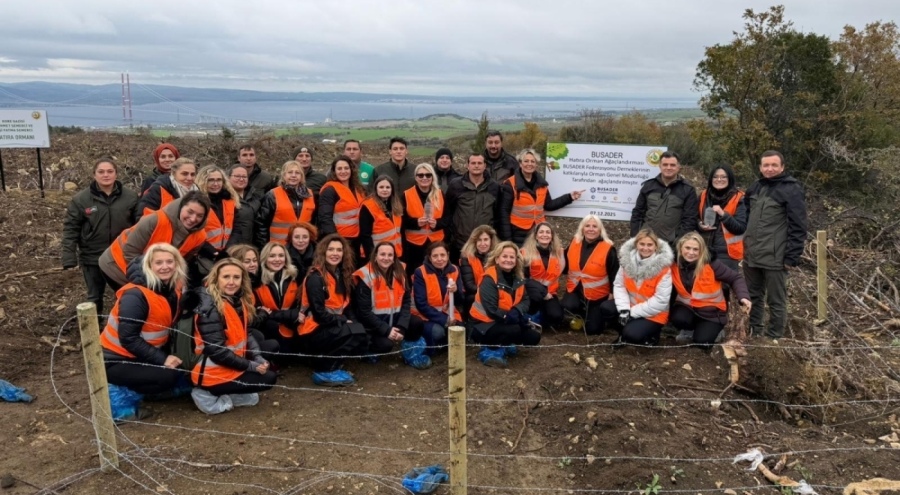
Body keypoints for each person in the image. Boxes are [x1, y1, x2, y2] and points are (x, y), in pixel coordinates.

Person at [190, 258, 278, 414]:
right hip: (211, 371)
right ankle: (206, 392)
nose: (231, 282)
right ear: (216, 279)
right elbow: (218, 352)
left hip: (230, 364)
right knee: (268, 378)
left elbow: (247, 333)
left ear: (242, 280)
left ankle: (228, 389)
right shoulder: (211, 308)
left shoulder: (237, 301)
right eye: (226, 277)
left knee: (269, 352)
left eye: (236, 277)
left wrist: (258, 358)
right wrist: (252, 366)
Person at [100, 244, 186, 402]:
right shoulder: (136, 296)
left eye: (169, 261)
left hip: (139, 354)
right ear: (149, 266)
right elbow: (128, 338)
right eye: (158, 263)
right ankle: (118, 390)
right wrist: (162, 359)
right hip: (116, 359)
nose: (165, 267)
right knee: (168, 377)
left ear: (177, 264)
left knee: (182, 367)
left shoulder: (173, 289)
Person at [743, 150, 808, 339]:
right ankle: (755, 332)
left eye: (774, 165)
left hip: (775, 256)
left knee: (776, 300)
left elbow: (799, 225)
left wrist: (792, 256)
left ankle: (774, 338)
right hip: (752, 255)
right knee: (753, 296)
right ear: (760, 167)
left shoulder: (791, 189)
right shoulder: (755, 188)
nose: (769, 169)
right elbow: (747, 216)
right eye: (766, 165)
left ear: (782, 167)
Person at [63, 158, 139, 315]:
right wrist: (68, 258)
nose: (106, 175)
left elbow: (138, 226)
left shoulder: (131, 197)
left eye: (110, 171)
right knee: (94, 297)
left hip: (121, 256)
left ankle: (122, 328)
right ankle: (93, 332)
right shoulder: (81, 199)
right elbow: (71, 229)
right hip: (92, 257)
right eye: (101, 172)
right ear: (94, 175)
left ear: (116, 174)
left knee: (126, 294)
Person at [100, 191, 210, 290]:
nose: (193, 219)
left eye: (199, 216)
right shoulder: (155, 220)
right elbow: (130, 252)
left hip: (151, 270)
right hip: (116, 265)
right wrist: (151, 281)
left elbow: (182, 262)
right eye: (190, 212)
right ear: (181, 206)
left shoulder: (200, 237)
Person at [298, 234, 368, 386]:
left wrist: (353, 323)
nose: (335, 253)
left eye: (339, 250)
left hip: (329, 326)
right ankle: (324, 370)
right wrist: (344, 321)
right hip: (312, 330)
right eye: (330, 249)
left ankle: (333, 365)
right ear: (323, 252)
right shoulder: (316, 278)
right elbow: (319, 314)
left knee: (360, 332)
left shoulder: (341, 274)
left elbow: (345, 305)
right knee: (354, 332)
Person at [354, 242, 431, 369]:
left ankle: (411, 354)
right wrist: (386, 330)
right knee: (385, 345)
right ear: (375, 256)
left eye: (390, 255)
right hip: (372, 326)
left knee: (416, 323)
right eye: (382, 254)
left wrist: (401, 326)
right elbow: (364, 312)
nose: (386, 258)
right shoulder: (365, 276)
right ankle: (367, 351)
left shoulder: (400, 272)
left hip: (394, 318)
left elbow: (406, 302)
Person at [671, 232, 751, 346]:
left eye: (695, 249)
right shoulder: (674, 264)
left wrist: (743, 297)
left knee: (702, 343)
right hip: (687, 308)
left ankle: (717, 332)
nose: (691, 253)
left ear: (702, 250)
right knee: (678, 318)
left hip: (712, 313)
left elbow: (735, 278)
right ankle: (688, 331)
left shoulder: (712, 264)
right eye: (687, 248)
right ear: (680, 248)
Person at [468, 241, 540, 367]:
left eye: (512, 257)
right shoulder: (489, 278)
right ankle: (489, 350)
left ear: (516, 260)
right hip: (482, 325)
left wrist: (517, 311)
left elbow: (525, 300)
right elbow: (491, 310)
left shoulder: (518, 278)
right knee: (514, 330)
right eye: (504, 256)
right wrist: (511, 318)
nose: (508, 260)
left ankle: (504, 343)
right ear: (497, 259)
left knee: (533, 337)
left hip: (505, 320)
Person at [499, 148, 581, 245]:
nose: (529, 164)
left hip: (538, 231)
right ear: (520, 164)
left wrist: (569, 197)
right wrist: (508, 240)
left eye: (533, 161)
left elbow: (549, 205)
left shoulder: (542, 184)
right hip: (518, 233)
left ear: (536, 165)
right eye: (526, 161)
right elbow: (504, 213)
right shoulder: (510, 184)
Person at [609, 229, 674, 346]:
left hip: (654, 314)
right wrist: (624, 309)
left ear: (656, 246)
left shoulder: (664, 268)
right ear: (636, 244)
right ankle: (622, 335)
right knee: (606, 308)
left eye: (650, 245)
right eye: (642, 244)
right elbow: (619, 285)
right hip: (630, 306)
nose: (645, 248)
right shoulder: (626, 261)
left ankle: (652, 335)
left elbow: (661, 300)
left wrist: (631, 312)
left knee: (632, 335)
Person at [562, 215, 619, 335]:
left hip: (598, 295)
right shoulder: (574, 242)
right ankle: (580, 314)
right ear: (582, 228)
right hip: (575, 289)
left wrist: (613, 293)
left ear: (600, 230)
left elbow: (615, 274)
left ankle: (603, 319)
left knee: (593, 330)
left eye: (595, 226)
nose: (591, 229)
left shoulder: (608, 248)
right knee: (567, 306)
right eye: (587, 226)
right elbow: (563, 263)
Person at [629, 151, 698, 246]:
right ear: (660, 166)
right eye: (665, 164)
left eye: (672, 165)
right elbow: (637, 213)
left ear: (678, 167)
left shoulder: (687, 190)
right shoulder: (649, 186)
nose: (668, 168)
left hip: (671, 245)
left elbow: (689, 220)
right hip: (646, 243)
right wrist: (636, 236)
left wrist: (678, 242)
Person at [443, 154, 500, 263]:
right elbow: (448, 211)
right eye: (473, 163)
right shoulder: (456, 185)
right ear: (467, 166)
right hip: (460, 243)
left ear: (485, 166)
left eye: (479, 163)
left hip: (485, 245)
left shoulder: (494, 187)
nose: (476, 166)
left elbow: (497, 214)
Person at [412, 242, 463, 352]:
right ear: (430, 258)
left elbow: (460, 300)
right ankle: (429, 345)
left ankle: (442, 345)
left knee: (462, 330)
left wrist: (456, 291)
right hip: (424, 316)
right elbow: (421, 304)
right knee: (438, 332)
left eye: (442, 255)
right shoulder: (420, 272)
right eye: (435, 256)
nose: (439, 259)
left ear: (448, 255)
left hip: (448, 313)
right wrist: (444, 320)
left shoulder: (454, 270)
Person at [254, 242, 303, 351]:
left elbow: (301, 306)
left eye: (281, 256)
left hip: (292, 323)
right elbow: (258, 310)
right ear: (265, 258)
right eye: (272, 256)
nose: (277, 259)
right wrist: (286, 315)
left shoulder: (296, 277)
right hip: (269, 326)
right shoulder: (256, 281)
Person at [697, 164, 746, 271]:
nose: (719, 179)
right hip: (703, 250)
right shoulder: (703, 195)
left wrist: (723, 214)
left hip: (727, 254)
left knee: (724, 286)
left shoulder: (740, 198)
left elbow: (740, 228)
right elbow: (694, 218)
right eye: (715, 177)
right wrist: (700, 225)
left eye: (723, 177)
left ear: (730, 179)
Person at [402, 163, 448, 276]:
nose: (424, 178)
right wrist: (416, 222)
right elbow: (401, 220)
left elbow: (448, 218)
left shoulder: (440, 194)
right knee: (415, 275)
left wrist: (437, 224)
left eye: (428, 175)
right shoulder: (406, 195)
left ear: (432, 177)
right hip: (414, 245)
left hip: (436, 243)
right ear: (416, 177)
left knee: (435, 275)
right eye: (421, 175)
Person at [196, 165, 249, 262]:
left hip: (227, 253)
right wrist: (213, 252)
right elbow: (193, 232)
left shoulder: (229, 201)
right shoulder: (196, 202)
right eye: (211, 180)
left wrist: (228, 250)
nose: (215, 184)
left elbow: (236, 228)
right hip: (203, 255)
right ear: (203, 181)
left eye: (219, 180)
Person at [255, 160, 316, 246]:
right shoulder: (272, 195)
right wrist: (264, 247)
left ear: (302, 176)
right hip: (279, 248)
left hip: (303, 246)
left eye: (297, 173)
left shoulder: (310, 194)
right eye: (290, 172)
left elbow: (313, 223)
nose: (293, 175)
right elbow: (262, 224)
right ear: (284, 175)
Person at [318, 155, 366, 260]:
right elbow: (325, 218)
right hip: (341, 239)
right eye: (339, 169)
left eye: (346, 168)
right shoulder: (330, 190)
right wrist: (336, 240)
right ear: (334, 171)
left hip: (358, 239)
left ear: (351, 170)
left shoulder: (359, 189)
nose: (343, 171)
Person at [521, 222, 566, 330]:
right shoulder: (525, 252)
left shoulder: (559, 253)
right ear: (536, 236)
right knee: (536, 298)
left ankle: (541, 316)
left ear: (552, 236)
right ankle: (531, 316)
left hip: (551, 293)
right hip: (532, 292)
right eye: (541, 232)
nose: (544, 235)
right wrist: (542, 291)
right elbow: (523, 278)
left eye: (547, 232)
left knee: (557, 317)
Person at [359, 175, 403, 261]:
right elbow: (365, 236)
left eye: (388, 187)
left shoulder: (396, 205)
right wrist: (372, 256)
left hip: (394, 253)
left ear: (392, 189)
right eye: (381, 187)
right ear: (376, 189)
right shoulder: (368, 206)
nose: (385, 190)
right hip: (376, 254)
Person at [458, 225, 499, 315]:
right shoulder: (467, 257)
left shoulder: (498, 256)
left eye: (485, 239)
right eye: (479, 240)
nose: (482, 243)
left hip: (496, 293)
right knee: (471, 298)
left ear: (491, 240)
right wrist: (487, 292)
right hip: (475, 293)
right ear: (474, 242)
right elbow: (469, 286)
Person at [227, 164, 263, 242]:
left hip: (253, 246)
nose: (241, 179)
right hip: (232, 246)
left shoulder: (256, 197)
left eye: (244, 177)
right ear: (228, 178)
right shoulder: (225, 198)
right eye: (237, 176)